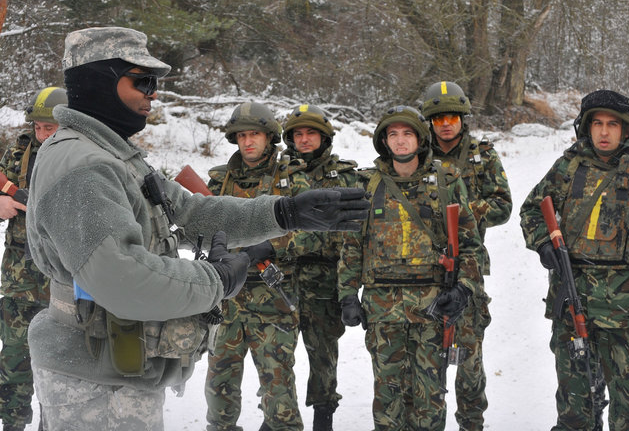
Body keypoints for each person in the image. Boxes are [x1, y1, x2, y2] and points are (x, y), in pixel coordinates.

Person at [24, 26, 369, 431]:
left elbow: (188, 212)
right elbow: (125, 279)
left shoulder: (111, 154)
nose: (153, 92)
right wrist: (219, 279)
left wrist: (284, 214)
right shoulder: (83, 166)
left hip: (114, 369)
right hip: (94, 387)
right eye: (143, 80)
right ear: (100, 80)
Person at [337, 105, 483, 430]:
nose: (401, 142)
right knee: (388, 399)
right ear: (384, 141)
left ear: (419, 139)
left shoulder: (446, 181)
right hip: (382, 310)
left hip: (431, 306)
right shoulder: (365, 185)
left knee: (430, 398)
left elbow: (470, 243)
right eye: (393, 134)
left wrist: (464, 288)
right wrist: (347, 294)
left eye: (407, 134)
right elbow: (351, 246)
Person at [520, 89, 629, 431]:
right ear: (585, 127)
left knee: (626, 410)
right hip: (574, 303)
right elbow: (533, 209)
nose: (604, 132)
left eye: (612, 125)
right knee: (576, 408)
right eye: (597, 124)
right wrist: (543, 244)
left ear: (626, 130)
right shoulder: (567, 167)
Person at [203, 101, 312, 431]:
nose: (248, 142)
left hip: (273, 303)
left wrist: (274, 243)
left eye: (255, 135)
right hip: (226, 303)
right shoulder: (218, 182)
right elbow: (198, 227)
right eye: (242, 136)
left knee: (279, 399)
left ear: (269, 137)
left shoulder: (292, 180)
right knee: (219, 396)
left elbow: (315, 234)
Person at [420, 81, 512, 430]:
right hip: (425, 266)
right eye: (439, 117)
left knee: (470, 352)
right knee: (429, 351)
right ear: (430, 120)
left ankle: (471, 421)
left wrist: (461, 213)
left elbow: (503, 205)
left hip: (468, 264)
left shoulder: (482, 154)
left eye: (453, 117)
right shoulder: (417, 151)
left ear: (463, 118)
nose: (446, 123)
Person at [281, 104, 358, 430]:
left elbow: (360, 230)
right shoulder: (277, 174)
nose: (304, 139)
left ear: (324, 137)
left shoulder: (345, 175)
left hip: (326, 277)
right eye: (298, 134)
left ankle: (323, 415)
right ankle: (279, 416)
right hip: (280, 277)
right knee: (275, 352)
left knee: (323, 354)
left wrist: (351, 288)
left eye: (311, 133)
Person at [0, 87, 66, 431]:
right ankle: (12, 424)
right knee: (14, 360)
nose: (42, 135)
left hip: (64, 282)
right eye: (39, 127)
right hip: (19, 280)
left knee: (60, 367)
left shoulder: (80, 155)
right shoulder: (19, 152)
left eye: (49, 128)